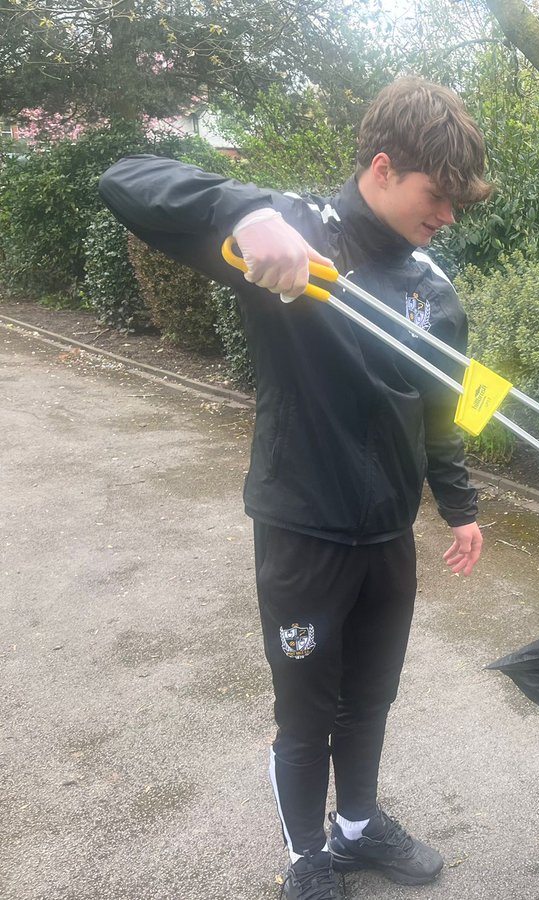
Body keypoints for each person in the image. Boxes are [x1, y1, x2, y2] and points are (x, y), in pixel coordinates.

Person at [100, 77, 492, 900]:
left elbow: (443, 409)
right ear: (383, 168)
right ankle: (305, 857)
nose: (448, 214)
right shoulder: (289, 235)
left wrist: (460, 508)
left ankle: (355, 831)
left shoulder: (434, 289)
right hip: (304, 527)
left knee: (371, 696)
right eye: (438, 195)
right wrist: (243, 213)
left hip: (387, 533)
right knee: (307, 710)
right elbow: (125, 180)